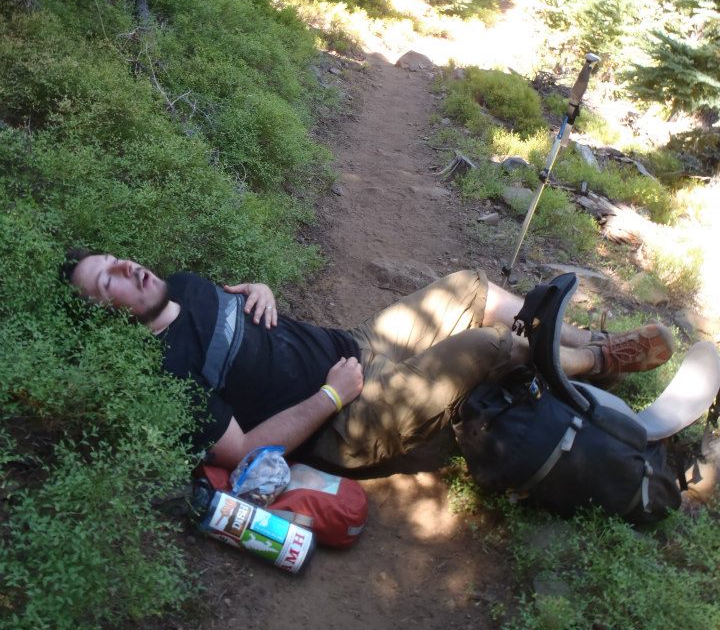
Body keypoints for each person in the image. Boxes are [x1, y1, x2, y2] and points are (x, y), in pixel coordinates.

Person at [62, 250, 674, 471]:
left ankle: (568, 340)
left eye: (114, 260)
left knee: (468, 287)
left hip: (358, 345)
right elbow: (243, 453)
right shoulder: (168, 376)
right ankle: (597, 359)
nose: (124, 268)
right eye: (106, 282)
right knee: (487, 347)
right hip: (347, 421)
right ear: (107, 313)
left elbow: (245, 306)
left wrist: (264, 290)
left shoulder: (188, 284)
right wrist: (330, 397)